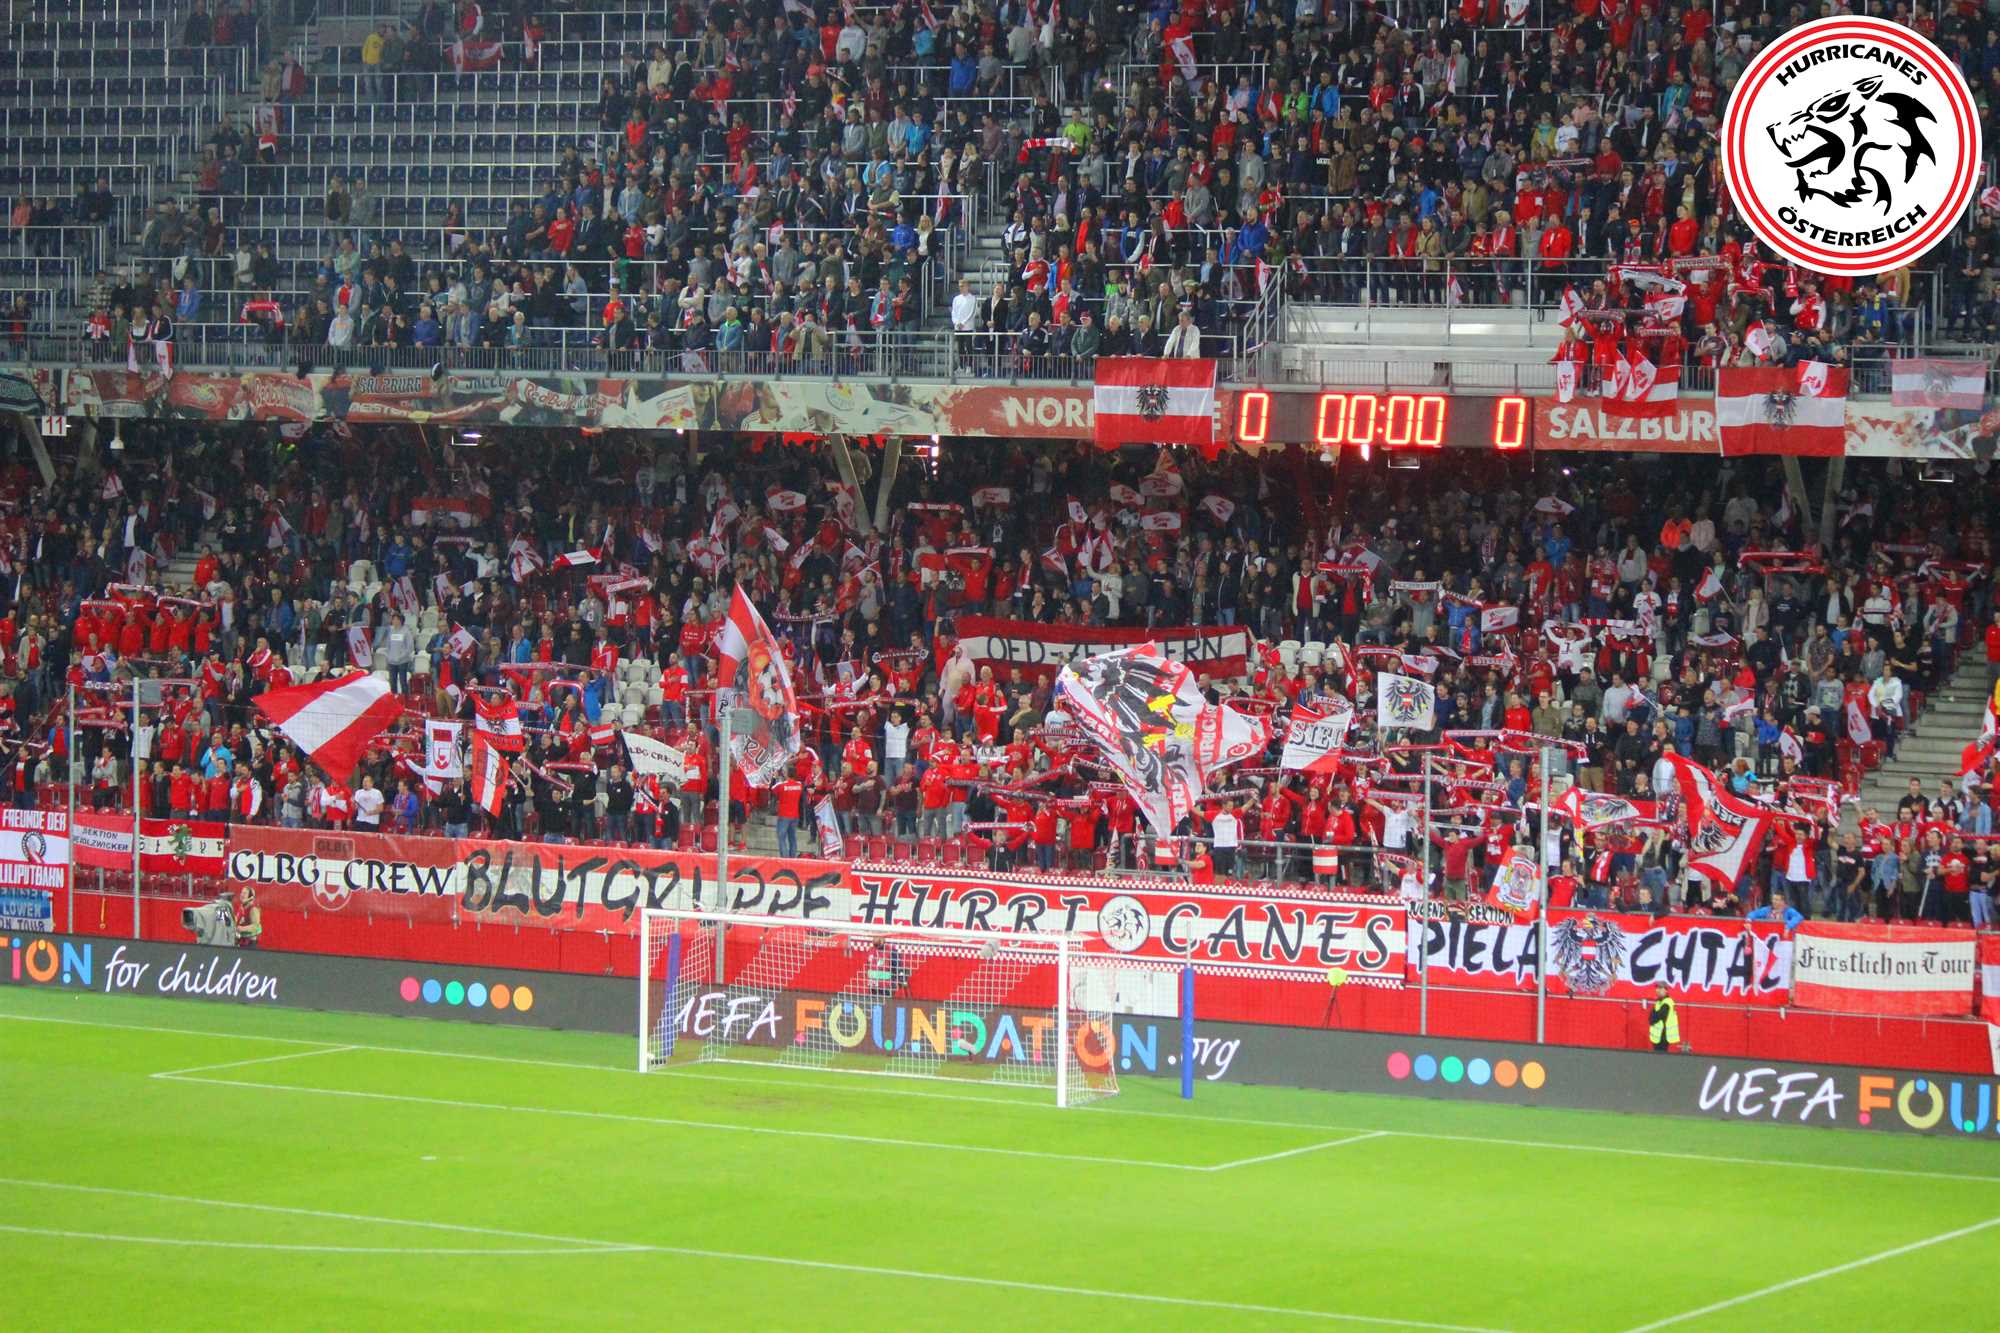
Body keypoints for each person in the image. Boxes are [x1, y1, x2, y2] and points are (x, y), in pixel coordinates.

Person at [1646, 981, 1681, 1053]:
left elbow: (1659, 1015)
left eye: (1660, 988)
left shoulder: (1667, 1002)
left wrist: (1653, 1017)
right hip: (1658, 1035)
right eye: (1657, 988)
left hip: (1663, 1035)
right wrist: (1653, 1017)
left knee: (1661, 1055)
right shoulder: (1659, 1002)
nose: (1657, 990)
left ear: (1666, 990)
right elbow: (1651, 1017)